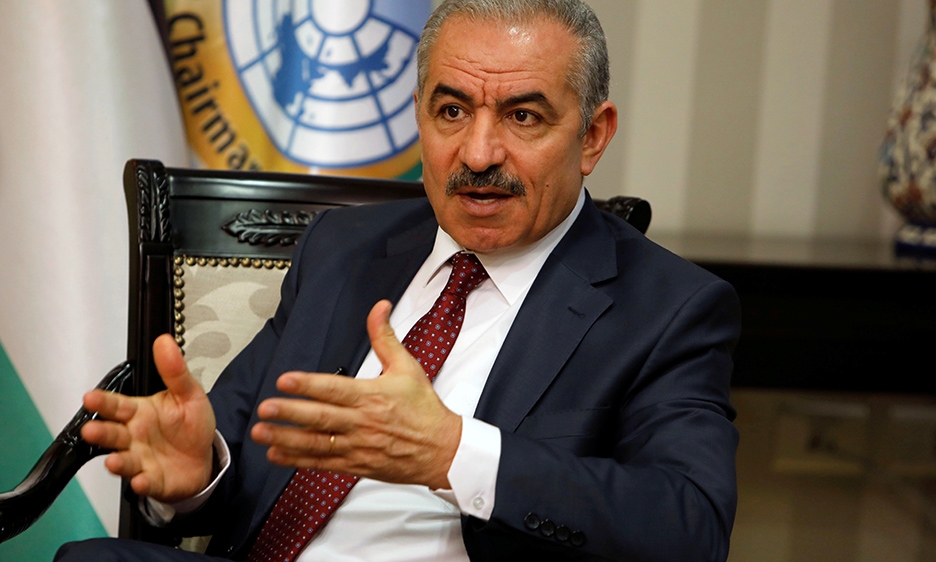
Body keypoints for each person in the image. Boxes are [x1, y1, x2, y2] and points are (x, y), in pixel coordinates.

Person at [56, 0, 740, 560]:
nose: (477, 153)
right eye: (452, 111)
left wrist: (455, 453)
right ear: (419, 114)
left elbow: (689, 529)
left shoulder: (667, 308)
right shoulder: (345, 248)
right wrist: (197, 473)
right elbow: (239, 443)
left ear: (593, 136)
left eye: (522, 116)